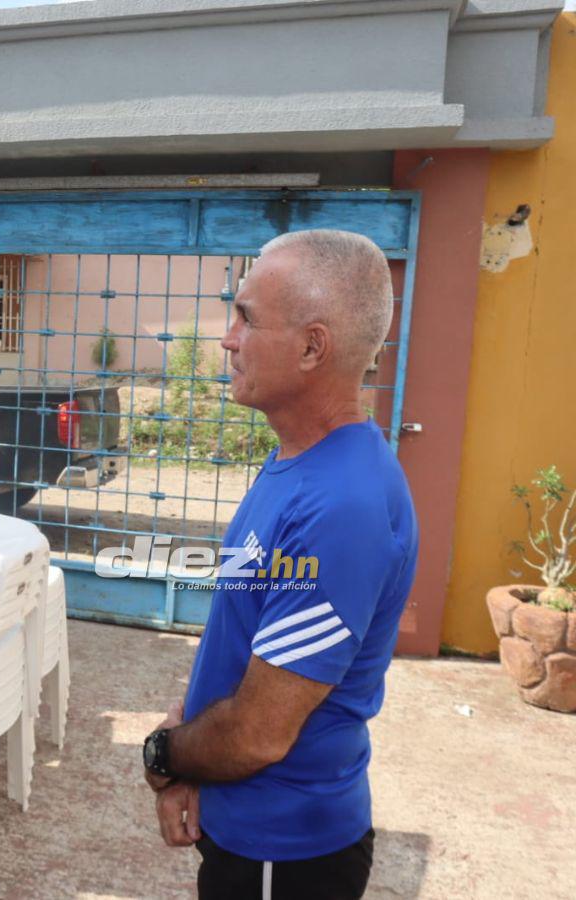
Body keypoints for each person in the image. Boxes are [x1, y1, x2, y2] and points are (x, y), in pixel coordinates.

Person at [140, 230, 419, 899]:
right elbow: (238, 630)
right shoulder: (299, 460)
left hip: (284, 854)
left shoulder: (338, 507)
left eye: (246, 316)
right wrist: (187, 745)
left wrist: (163, 756)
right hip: (255, 832)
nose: (228, 339)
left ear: (312, 346)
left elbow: (259, 736)